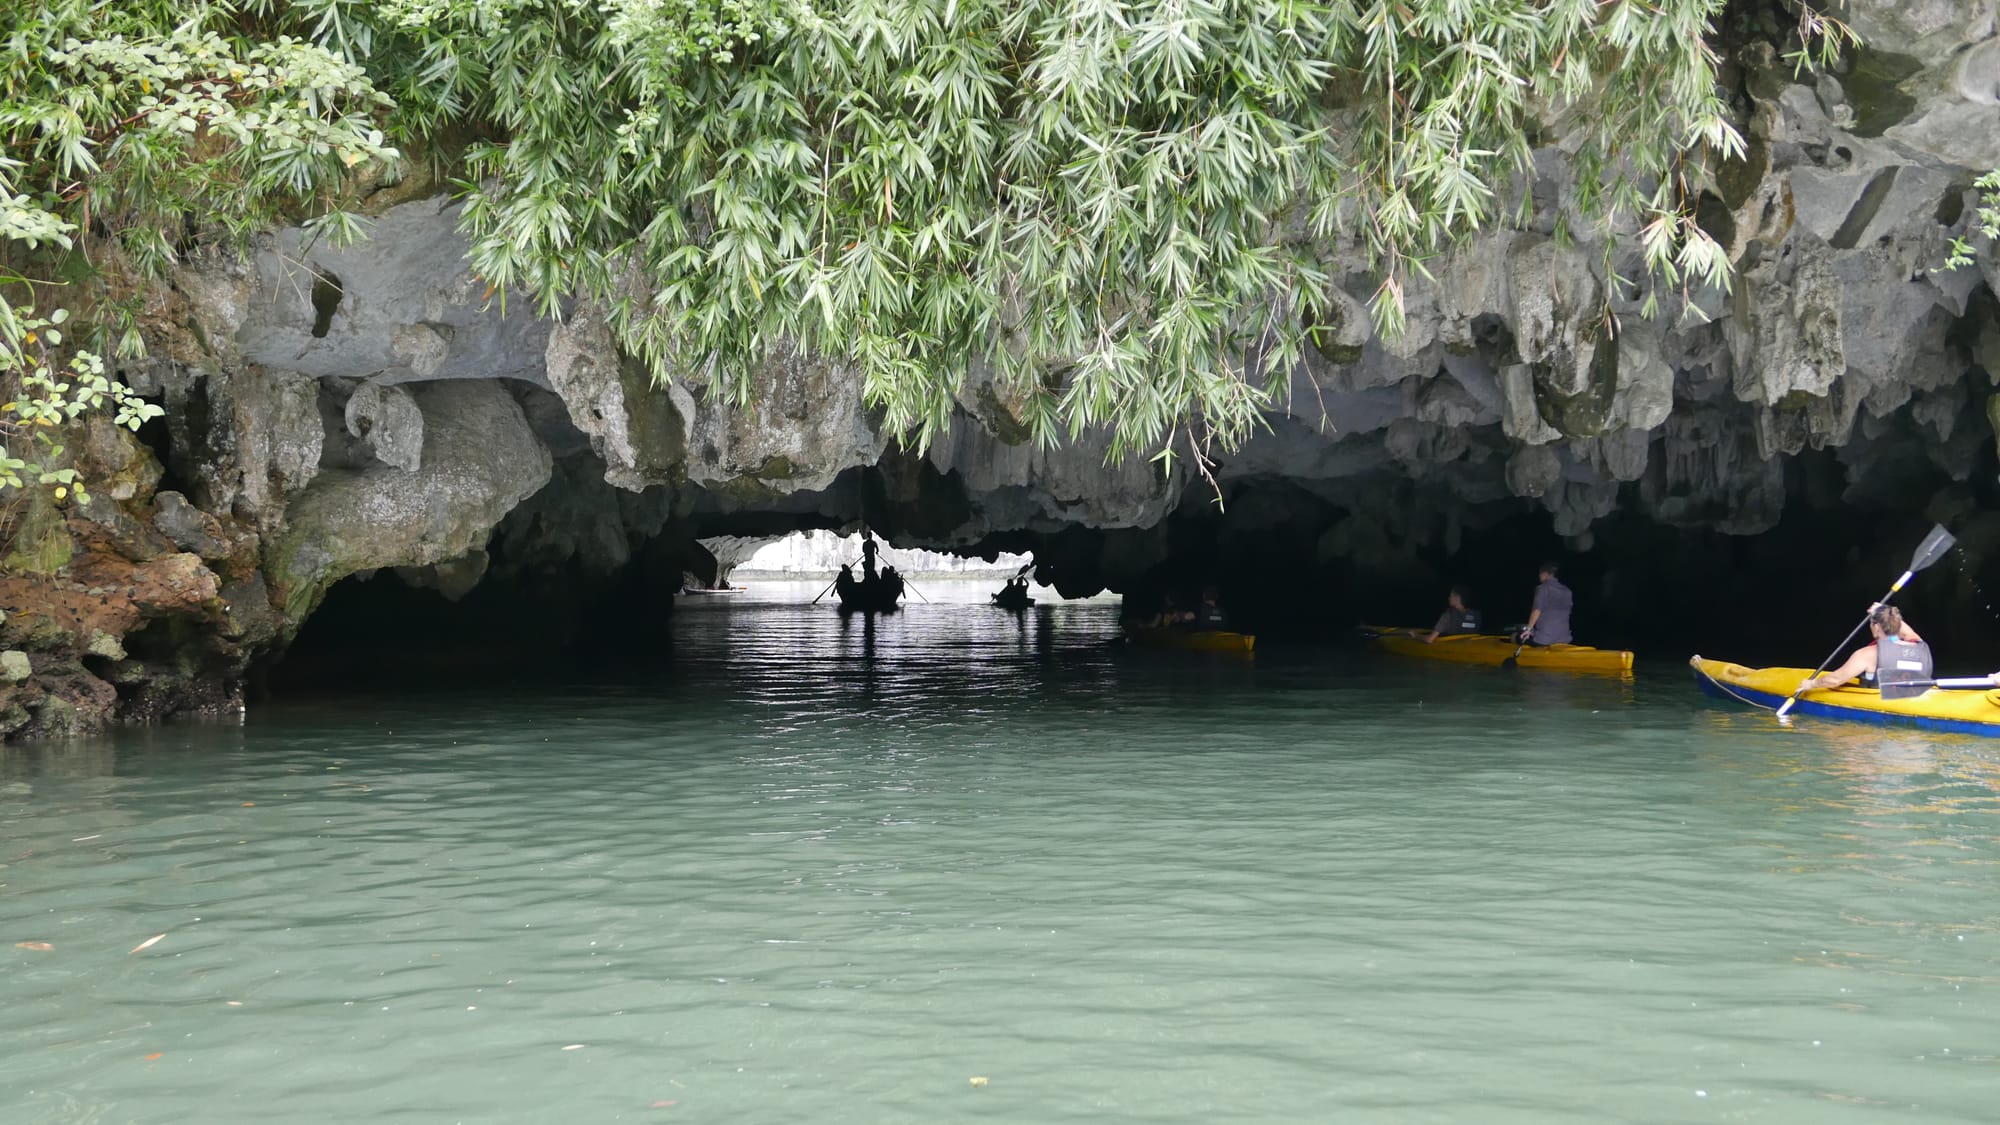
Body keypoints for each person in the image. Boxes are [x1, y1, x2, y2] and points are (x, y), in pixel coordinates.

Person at [1798, 605, 1928, 692]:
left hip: (1881, 702)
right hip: (1912, 695)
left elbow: (1836, 679)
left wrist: (1811, 684)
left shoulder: (1868, 654)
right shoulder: (1917, 644)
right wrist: (1885, 611)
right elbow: (1905, 630)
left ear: (1876, 627)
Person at [1519, 562, 1572, 646]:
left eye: (1540, 574)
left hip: (1544, 639)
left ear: (1545, 574)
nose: (1539, 576)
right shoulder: (1567, 591)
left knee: (1515, 636)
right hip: (1565, 639)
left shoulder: (1542, 588)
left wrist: (1528, 629)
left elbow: (1537, 610)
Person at [1415, 586, 1482, 643]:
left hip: (1451, 648)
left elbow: (1429, 640)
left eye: (1451, 595)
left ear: (1457, 598)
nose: (1449, 598)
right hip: (1468, 646)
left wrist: (1416, 635)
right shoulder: (1477, 615)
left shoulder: (1448, 615)